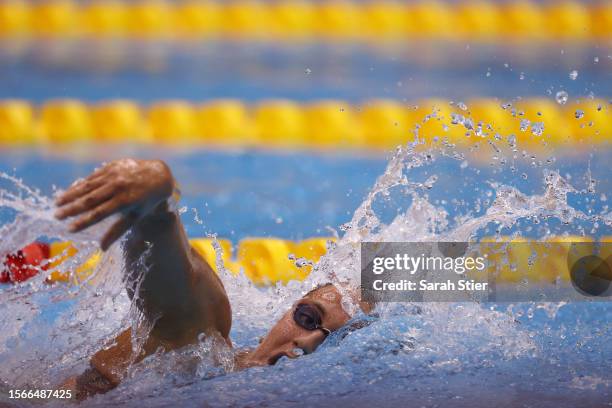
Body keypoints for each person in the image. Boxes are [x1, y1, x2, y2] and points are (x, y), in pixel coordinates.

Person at [55, 159, 367, 400]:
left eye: (333, 342)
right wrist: (156, 201)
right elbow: (179, 281)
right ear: (287, 311)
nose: (307, 342)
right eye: (308, 318)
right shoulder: (201, 353)